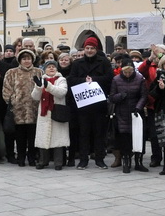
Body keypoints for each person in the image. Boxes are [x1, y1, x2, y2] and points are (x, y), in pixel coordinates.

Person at [67, 36, 113, 169]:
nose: (89, 50)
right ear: (84, 49)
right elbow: (71, 80)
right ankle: (83, 160)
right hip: (83, 105)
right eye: (87, 48)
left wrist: (93, 80)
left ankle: (99, 159)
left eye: (92, 48)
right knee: (84, 133)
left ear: (96, 49)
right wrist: (83, 81)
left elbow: (109, 78)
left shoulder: (104, 62)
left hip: (99, 104)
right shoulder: (77, 63)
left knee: (99, 133)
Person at [108, 55, 149, 174]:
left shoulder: (140, 79)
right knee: (125, 138)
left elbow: (144, 95)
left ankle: (139, 161)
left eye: (130, 71)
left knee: (138, 137)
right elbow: (112, 97)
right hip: (122, 113)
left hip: (136, 112)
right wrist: (120, 96)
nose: (128, 74)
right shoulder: (116, 80)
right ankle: (126, 161)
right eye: (125, 72)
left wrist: (138, 107)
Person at [1, 49, 40, 166]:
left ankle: (32, 157)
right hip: (18, 109)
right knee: (20, 136)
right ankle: (21, 157)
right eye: (24, 59)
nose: (26, 61)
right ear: (19, 60)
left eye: (28, 58)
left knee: (32, 135)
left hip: (34, 108)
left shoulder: (39, 72)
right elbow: (6, 89)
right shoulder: (11, 72)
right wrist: (13, 100)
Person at [30, 58, 69, 170]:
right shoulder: (41, 79)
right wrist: (38, 87)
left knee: (58, 139)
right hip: (44, 113)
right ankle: (43, 161)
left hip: (57, 111)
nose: (51, 68)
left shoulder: (61, 79)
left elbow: (61, 92)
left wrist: (48, 86)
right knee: (43, 138)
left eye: (53, 66)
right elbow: (35, 97)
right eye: (48, 67)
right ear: (45, 70)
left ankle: (58, 162)